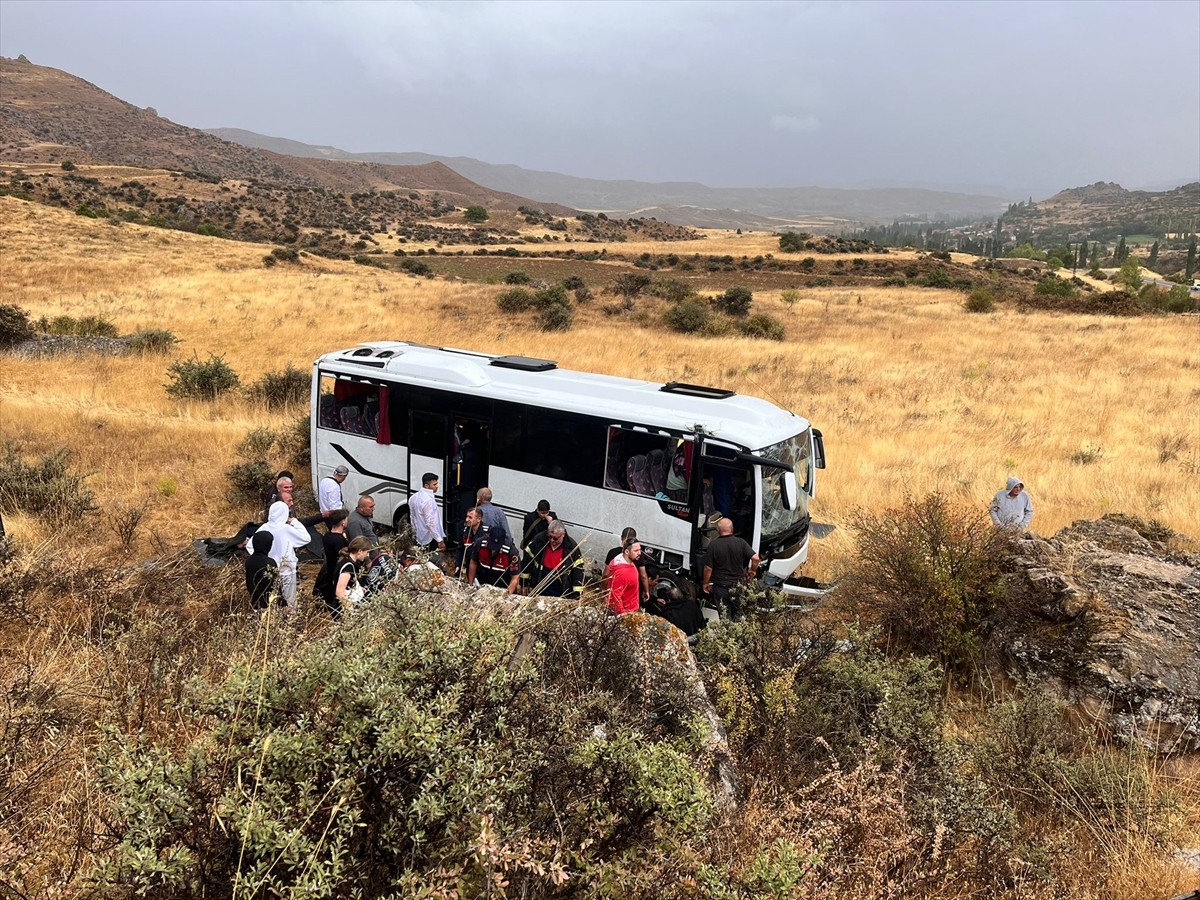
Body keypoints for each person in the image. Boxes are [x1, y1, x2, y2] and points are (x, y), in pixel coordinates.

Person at [256, 500, 313, 618]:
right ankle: (290, 622)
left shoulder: (264, 528)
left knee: (271, 598)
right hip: (287, 570)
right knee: (289, 600)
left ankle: (272, 621)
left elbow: (251, 546)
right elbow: (306, 538)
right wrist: (295, 522)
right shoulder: (285, 528)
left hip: (268, 570)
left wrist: (263, 557)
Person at [702, 517, 759, 621]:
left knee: (724, 616)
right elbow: (756, 558)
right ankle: (736, 634)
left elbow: (708, 568)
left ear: (718, 530)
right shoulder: (741, 543)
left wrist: (705, 583)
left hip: (720, 587)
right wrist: (752, 571)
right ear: (732, 529)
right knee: (737, 614)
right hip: (737, 586)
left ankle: (727, 635)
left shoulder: (713, 545)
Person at [522, 519, 585, 598]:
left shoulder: (571, 547)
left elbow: (578, 572)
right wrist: (524, 583)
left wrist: (576, 595)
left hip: (560, 592)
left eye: (555, 538)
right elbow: (526, 562)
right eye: (549, 537)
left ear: (563, 534)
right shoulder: (539, 540)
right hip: (538, 588)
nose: (551, 540)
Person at [644, 562, 705, 639]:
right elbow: (702, 625)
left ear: (669, 599)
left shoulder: (668, 613)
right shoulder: (693, 606)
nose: (656, 583)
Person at [467, 523, 521, 593]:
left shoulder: (512, 552)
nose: (494, 549)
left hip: (502, 587)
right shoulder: (479, 544)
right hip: (482, 583)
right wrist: (471, 585)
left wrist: (506, 595)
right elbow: (473, 563)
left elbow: (515, 577)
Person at [316, 509, 349, 618]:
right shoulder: (340, 540)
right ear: (342, 522)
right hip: (337, 570)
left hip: (329, 567)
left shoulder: (327, 536)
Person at [605, 526, 649, 603]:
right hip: (632, 594)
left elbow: (606, 575)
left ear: (621, 537)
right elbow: (643, 576)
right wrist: (646, 591)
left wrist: (604, 590)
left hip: (615, 592)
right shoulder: (639, 555)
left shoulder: (612, 553)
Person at [244, 530, 278, 620]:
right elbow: (274, 585)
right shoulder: (269, 562)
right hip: (267, 604)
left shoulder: (249, 561)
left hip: (254, 601)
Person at [409, 472, 447, 553]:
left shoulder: (413, 497)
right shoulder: (428, 501)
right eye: (434, 484)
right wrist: (439, 540)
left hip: (420, 536)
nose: (437, 486)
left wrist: (414, 533)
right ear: (426, 486)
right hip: (430, 537)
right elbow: (430, 523)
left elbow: (412, 518)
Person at [335, 536, 372, 610]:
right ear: (360, 551)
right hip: (343, 608)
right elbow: (339, 592)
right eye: (367, 552)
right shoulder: (348, 567)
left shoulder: (347, 560)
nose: (367, 555)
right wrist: (351, 611)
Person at [606, 539, 642, 616]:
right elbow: (615, 596)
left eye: (640, 550)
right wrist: (624, 616)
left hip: (631, 609)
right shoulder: (622, 572)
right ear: (626, 552)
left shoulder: (629, 562)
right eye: (636, 551)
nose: (639, 553)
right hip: (626, 613)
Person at [455, 506, 484, 578]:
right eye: (467, 516)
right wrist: (458, 565)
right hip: (469, 566)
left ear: (479, 519)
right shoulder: (465, 531)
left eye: (470, 517)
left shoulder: (486, 533)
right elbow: (460, 548)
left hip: (482, 569)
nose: (466, 519)